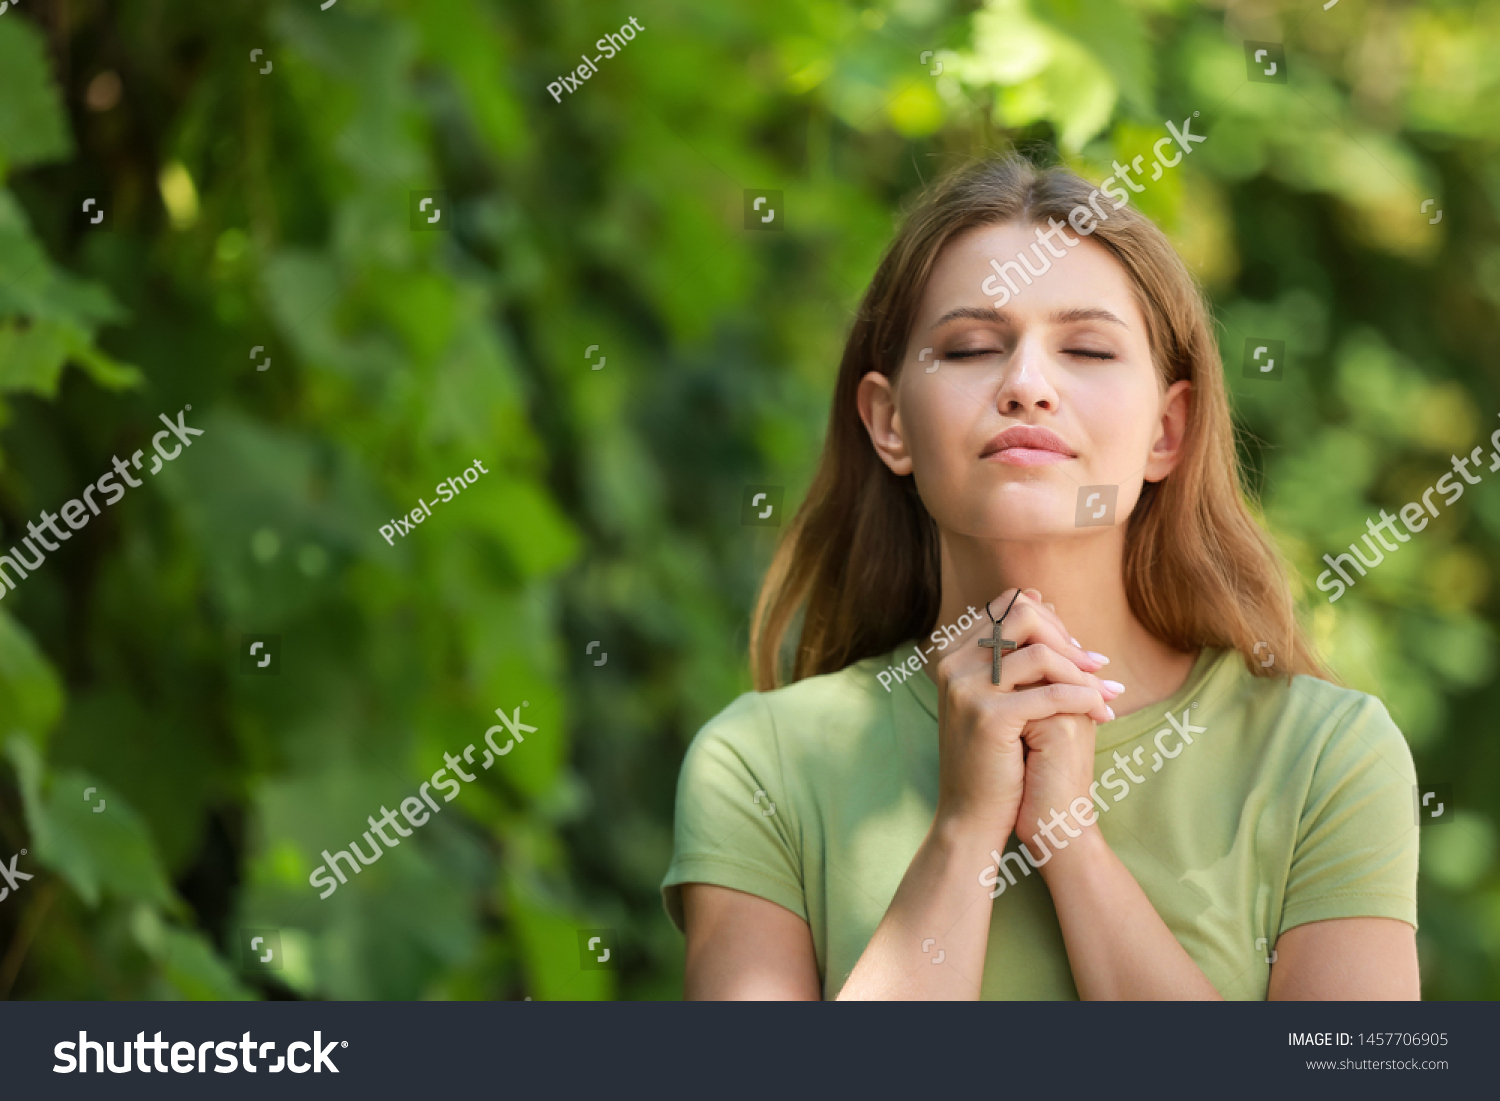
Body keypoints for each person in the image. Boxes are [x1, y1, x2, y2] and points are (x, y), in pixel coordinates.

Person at [661, 155, 1420, 1000]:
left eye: (1088, 349)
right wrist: (963, 831)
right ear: (888, 423)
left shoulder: (1325, 756)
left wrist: (1071, 839)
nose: (1027, 385)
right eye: (972, 347)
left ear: (1168, 432)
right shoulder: (759, 765)